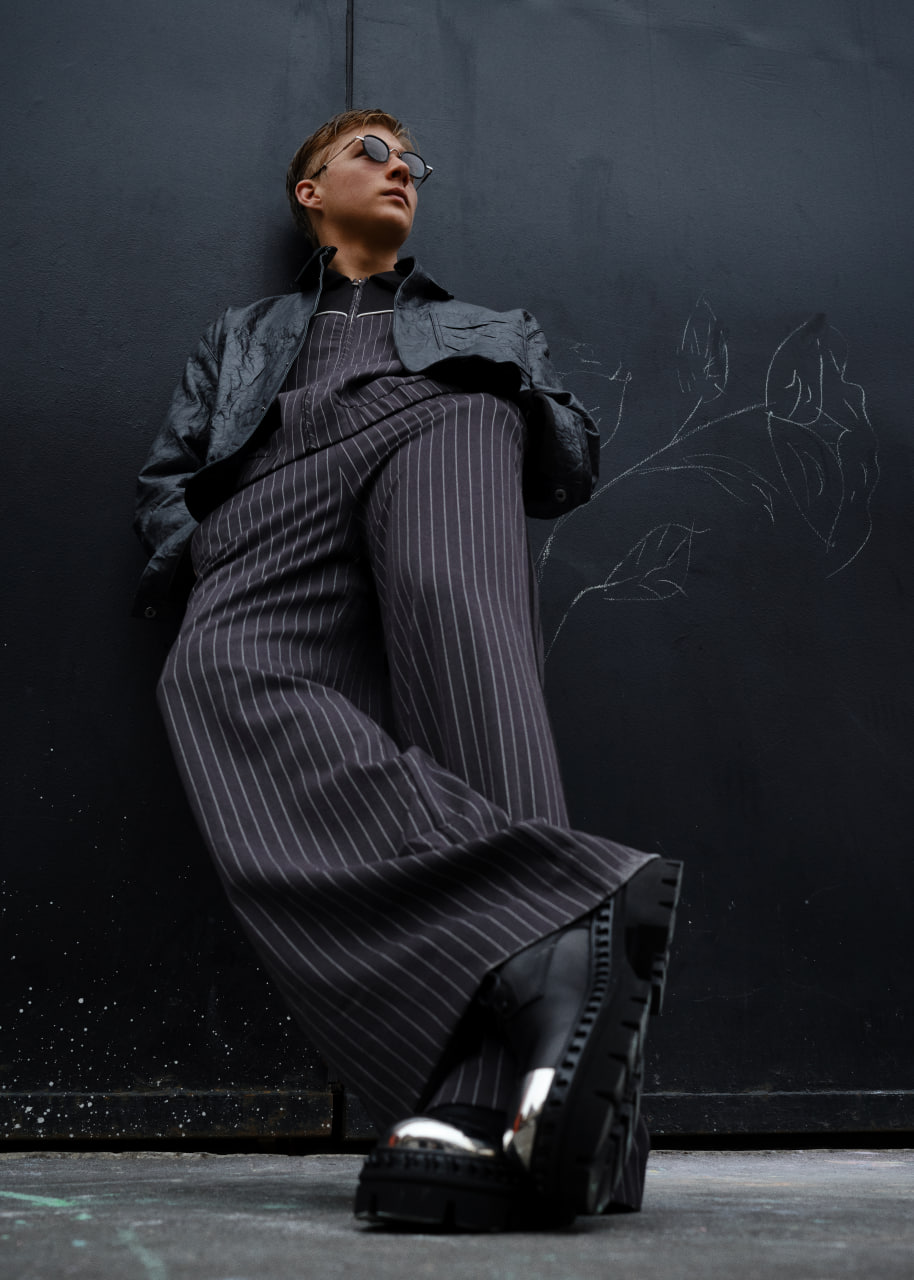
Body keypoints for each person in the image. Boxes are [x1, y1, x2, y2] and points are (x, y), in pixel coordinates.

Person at [133, 108, 682, 1231]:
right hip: (277, 493)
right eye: (373, 153)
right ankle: (553, 927)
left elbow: (569, 459)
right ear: (310, 189)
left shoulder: (483, 325)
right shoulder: (243, 332)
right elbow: (170, 475)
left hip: (436, 425)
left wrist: (503, 395)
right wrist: (203, 543)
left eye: (412, 162)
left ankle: (490, 1104)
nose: (401, 172)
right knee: (212, 674)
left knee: (463, 643)